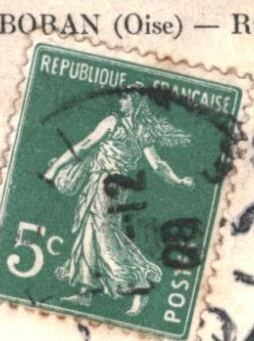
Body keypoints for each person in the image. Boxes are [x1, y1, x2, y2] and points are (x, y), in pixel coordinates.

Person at [42, 91, 196, 316]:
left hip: (107, 184)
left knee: (105, 237)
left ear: (135, 102)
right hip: (112, 185)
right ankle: (87, 291)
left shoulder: (113, 122)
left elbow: (85, 145)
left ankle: (139, 284)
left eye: (125, 98)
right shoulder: (142, 130)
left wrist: (55, 168)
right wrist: (179, 181)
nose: (120, 101)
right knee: (90, 234)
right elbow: (158, 165)